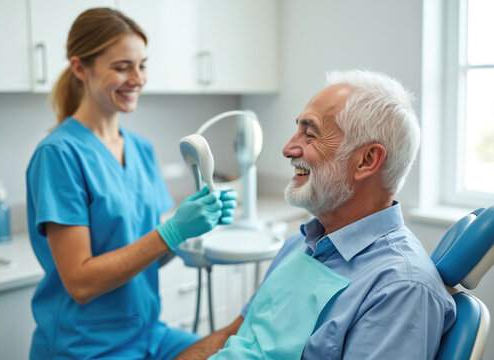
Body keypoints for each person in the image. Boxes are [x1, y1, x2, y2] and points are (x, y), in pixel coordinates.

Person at [175, 70, 457, 359]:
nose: (287, 149)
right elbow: (233, 334)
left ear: (366, 160)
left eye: (310, 135)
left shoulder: (401, 289)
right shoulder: (301, 244)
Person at [25, 8, 237, 359]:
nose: (138, 78)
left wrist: (189, 227)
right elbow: (80, 282)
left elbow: (145, 253)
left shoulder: (140, 148)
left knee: (236, 349)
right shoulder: (59, 155)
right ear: (80, 68)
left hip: (148, 335)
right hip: (87, 346)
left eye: (142, 65)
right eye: (122, 67)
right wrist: (169, 232)